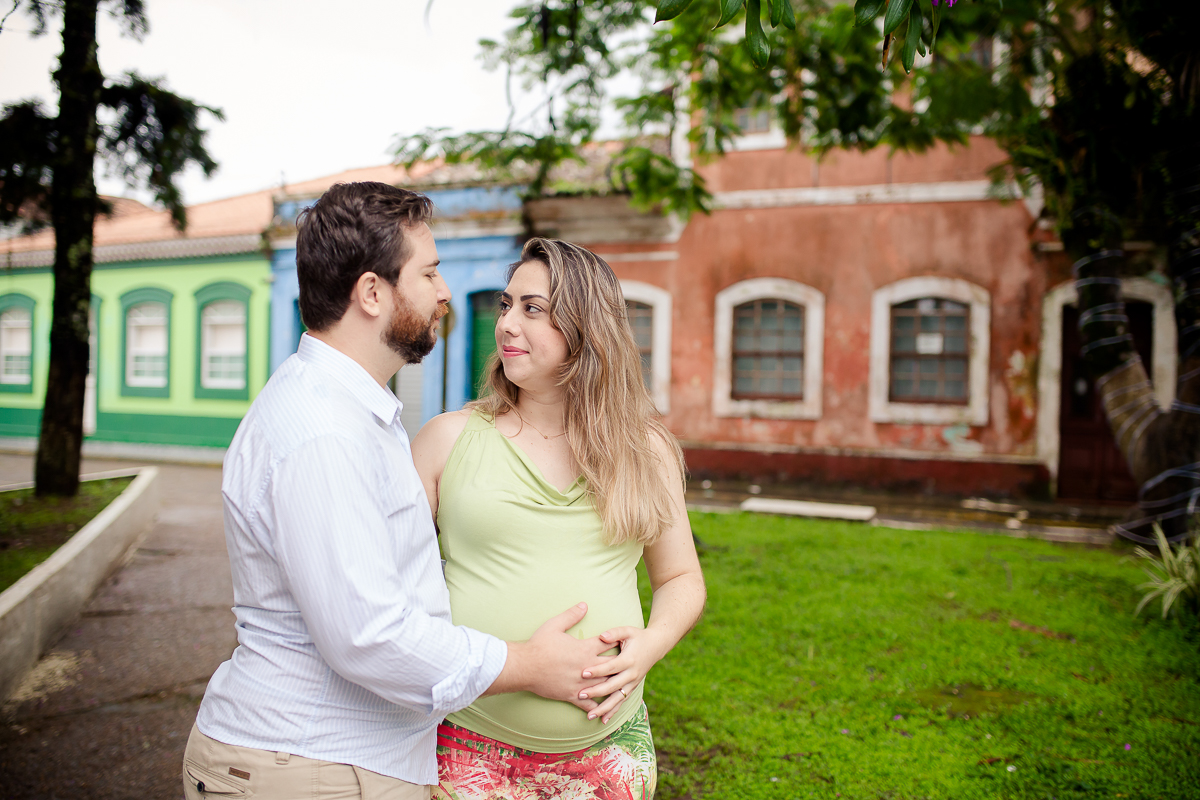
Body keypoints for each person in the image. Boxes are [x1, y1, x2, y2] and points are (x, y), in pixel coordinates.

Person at [183, 184, 622, 800]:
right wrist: (528, 664)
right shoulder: (323, 432)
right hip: (307, 765)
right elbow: (369, 635)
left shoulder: (357, 412)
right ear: (371, 293)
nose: (445, 293)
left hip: (335, 763)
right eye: (430, 272)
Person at [412, 238, 707, 800]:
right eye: (506, 305)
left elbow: (681, 579)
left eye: (532, 309)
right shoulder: (446, 439)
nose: (506, 324)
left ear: (585, 328)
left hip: (608, 753)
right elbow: (387, 591)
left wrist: (650, 646)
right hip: (463, 746)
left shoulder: (647, 450)